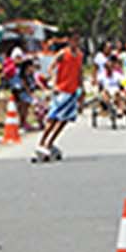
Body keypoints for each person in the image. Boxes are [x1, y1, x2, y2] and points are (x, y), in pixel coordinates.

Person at [35, 34, 83, 162]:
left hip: (72, 91)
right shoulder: (63, 53)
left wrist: (81, 90)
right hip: (61, 90)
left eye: (77, 40)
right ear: (69, 41)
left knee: (64, 120)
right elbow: (51, 67)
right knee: (53, 118)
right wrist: (53, 81)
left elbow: (79, 72)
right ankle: (42, 142)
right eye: (73, 40)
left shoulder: (79, 55)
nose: (76, 43)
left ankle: (50, 142)